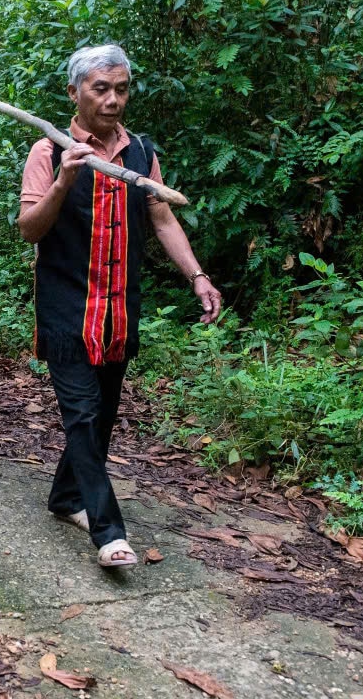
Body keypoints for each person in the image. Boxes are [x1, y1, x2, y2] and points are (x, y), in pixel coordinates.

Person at [18, 44, 222, 570]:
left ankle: (65, 498)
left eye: (121, 89)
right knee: (82, 415)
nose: (112, 100)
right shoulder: (48, 152)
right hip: (67, 307)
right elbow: (29, 230)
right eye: (100, 89)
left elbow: (162, 220)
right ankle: (108, 531)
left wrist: (196, 275)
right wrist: (65, 178)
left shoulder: (140, 153)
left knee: (102, 415)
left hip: (118, 307)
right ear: (75, 92)